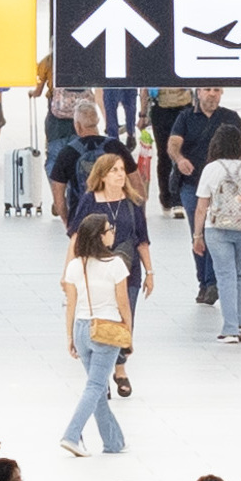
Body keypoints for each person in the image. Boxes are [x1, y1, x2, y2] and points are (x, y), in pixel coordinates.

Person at [68, 154, 152, 394]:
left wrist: (150, 271)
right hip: (95, 271)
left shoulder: (133, 202)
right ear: (102, 175)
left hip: (128, 271)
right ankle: (100, 375)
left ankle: (121, 368)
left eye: (122, 169)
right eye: (114, 170)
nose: (120, 174)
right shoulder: (89, 201)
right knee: (99, 318)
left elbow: (142, 240)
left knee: (126, 317)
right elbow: (76, 235)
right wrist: (68, 272)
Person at [56, 216, 131, 461]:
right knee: (95, 386)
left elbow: (71, 304)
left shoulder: (75, 265)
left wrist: (69, 336)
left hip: (81, 328)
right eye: (109, 229)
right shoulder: (116, 265)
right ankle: (72, 434)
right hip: (105, 331)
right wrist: (128, 334)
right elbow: (123, 303)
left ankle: (113, 440)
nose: (113, 232)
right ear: (100, 235)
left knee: (96, 388)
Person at [160, 90, 241, 297]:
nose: (212, 95)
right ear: (198, 93)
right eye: (207, 90)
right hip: (192, 185)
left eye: (216, 90)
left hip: (222, 187)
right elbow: (173, 143)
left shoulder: (230, 117)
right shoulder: (186, 117)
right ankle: (204, 282)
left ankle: (211, 282)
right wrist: (179, 159)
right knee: (198, 233)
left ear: (222, 93)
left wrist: (231, 153)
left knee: (216, 232)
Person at [192, 123, 241, 344]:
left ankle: (230, 329)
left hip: (217, 229)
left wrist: (197, 236)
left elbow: (201, 208)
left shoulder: (211, 169)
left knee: (225, 275)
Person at [43, 101, 122, 220]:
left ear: (77, 126)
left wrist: (68, 225)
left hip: (80, 217)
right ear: (97, 121)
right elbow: (136, 184)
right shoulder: (115, 147)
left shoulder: (68, 152)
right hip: (112, 215)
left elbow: (58, 197)